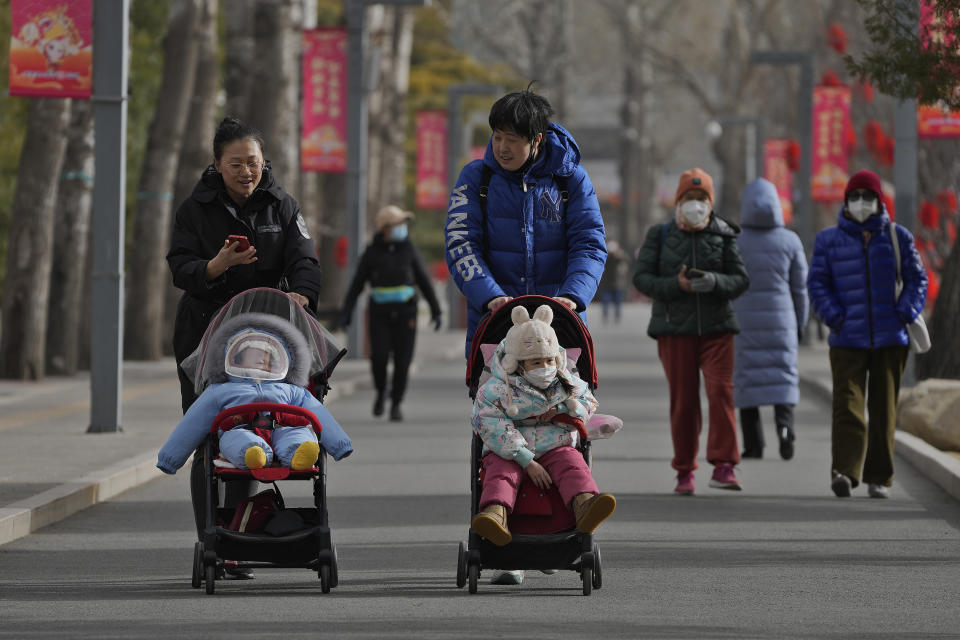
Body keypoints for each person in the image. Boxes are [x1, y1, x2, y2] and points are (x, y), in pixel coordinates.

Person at [444, 87, 607, 584]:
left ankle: (560, 530)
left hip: (558, 335)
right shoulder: (477, 180)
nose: (502, 148)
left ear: (537, 140)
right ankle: (506, 543)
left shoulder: (569, 180)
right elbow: (461, 242)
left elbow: (589, 243)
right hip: (495, 332)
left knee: (559, 430)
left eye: (512, 139)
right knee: (500, 433)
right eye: (495, 137)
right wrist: (490, 296)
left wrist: (572, 299)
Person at [166, 117, 323, 567]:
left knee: (255, 429)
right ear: (217, 165)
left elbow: (306, 260)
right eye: (235, 164)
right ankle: (210, 544)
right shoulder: (193, 210)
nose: (246, 172)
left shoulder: (283, 205)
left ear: (263, 162)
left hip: (267, 338)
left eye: (252, 163)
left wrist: (302, 294)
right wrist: (215, 266)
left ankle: (235, 537)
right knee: (209, 435)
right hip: (205, 336)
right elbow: (180, 268)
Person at [807, 169, 927, 499]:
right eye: (855, 197)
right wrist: (834, 316)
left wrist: (904, 311)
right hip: (847, 338)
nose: (861, 203)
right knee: (847, 406)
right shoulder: (828, 240)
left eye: (868, 197)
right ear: (846, 201)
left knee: (884, 410)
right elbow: (817, 283)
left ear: (879, 201)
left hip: (890, 339)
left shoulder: (897, 237)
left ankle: (880, 477)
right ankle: (845, 471)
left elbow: (918, 279)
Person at [632, 168, 750, 495]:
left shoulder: (724, 235)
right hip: (675, 330)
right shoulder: (660, 234)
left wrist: (715, 282)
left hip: (717, 329)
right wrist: (676, 285)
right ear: (678, 201)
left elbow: (740, 279)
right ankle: (684, 470)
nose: (696, 205)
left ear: (711, 204)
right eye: (690, 198)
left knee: (720, 393)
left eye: (702, 199)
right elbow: (642, 279)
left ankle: (725, 465)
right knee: (683, 402)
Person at [470, 305, 616, 546]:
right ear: (517, 364)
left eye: (549, 360)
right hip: (511, 450)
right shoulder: (495, 390)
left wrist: (565, 408)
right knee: (501, 473)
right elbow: (489, 422)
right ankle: (495, 515)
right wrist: (526, 459)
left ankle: (585, 505)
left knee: (572, 464)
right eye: (536, 362)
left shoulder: (566, 381)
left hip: (555, 444)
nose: (544, 367)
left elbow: (588, 402)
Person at [157, 313, 353, 477]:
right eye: (254, 356)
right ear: (235, 358)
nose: (261, 361)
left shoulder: (291, 389)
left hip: (284, 427)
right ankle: (252, 453)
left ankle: (298, 453)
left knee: (299, 434)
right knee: (236, 439)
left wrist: (339, 444)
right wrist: (170, 458)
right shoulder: (221, 390)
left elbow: (318, 413)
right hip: (241, 428)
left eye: (267, 358)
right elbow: (194, 421)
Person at [340, 205, 442, 422]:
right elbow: (358, 283)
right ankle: (380, 392)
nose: (402, 228)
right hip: (380, 313)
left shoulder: (409, 248)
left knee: (403, 361)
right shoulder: (372, 252)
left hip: (407, 312)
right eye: (398, 224)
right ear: (385, 228)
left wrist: (435, 309)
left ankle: (396, 403)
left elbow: (423, 280)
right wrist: (347, 311)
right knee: (379, 356)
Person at [732, 178, 809, 460]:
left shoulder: (736, 241)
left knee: (746, 380)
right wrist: (800, 323)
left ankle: (754, 444)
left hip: (744, 322)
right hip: (783, 320)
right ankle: (785, 430)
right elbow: (800, 288)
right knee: (783, 378)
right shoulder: (791, 240)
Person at [599, 240, 629, 323]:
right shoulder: (606, 258)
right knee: (606, 301)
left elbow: (626, 265)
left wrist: (620, 255)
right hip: (607, 284)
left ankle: (617, 317)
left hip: (618, 284)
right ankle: (605, 316)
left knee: (618, 302)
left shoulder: (620, 258)